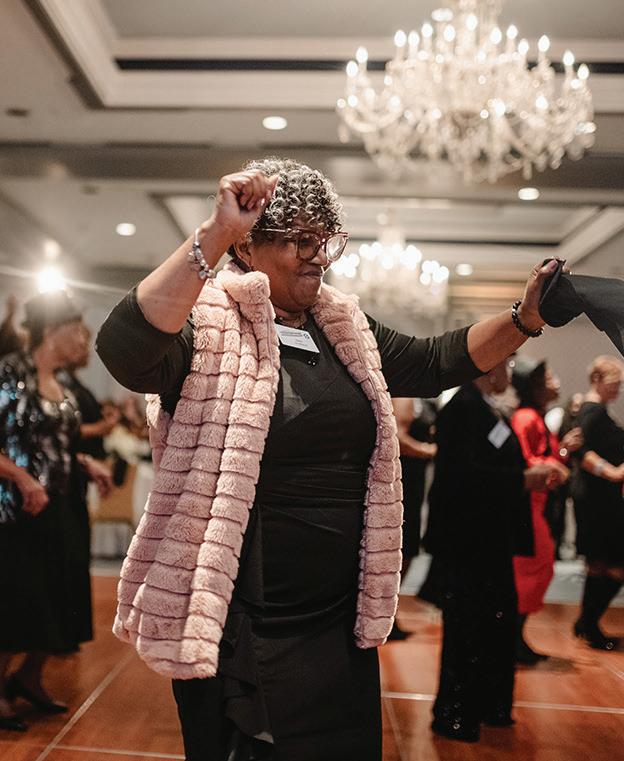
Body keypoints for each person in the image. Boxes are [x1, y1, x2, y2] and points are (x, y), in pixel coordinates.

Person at [96, 157, 560, 761]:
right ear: (249, 246)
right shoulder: (206, 324)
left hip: (336, 620)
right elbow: (124, 350)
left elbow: (434, 361)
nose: (318, 256)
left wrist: (526, 318)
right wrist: (215, 232)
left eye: (325, 240)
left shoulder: (343, 328)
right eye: (299, 240)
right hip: (245, 620)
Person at [424, 357, 564, 743]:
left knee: (490, 623)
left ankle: (487, 705)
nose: (510, 373)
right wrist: (523, 479)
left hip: (488, 538)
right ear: (489, 368)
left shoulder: (485, 409)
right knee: (468, 627)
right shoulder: (464, 409)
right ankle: (455, 712)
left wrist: (525, 477)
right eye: (507, 365)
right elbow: (462, 477)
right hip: (469, 540)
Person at [0, 290, 112, 732]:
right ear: (51, 332)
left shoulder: (62, 385)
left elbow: (54, 444)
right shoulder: (11, 373)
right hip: (17, 510)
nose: (83, 339)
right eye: (76, 330)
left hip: (60, 505)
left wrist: (85, 462)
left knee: (60, 594)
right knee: (20, 596)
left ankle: (29, 677)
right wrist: (22, 478)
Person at [510, 357, 582, 664]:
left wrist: (561, 452)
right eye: (548, 378)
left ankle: (516, 637)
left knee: (538, 567)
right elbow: (522, 459)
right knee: (532, 569)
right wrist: (554, 464)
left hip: (537, 504)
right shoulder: (526, 417)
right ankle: (513, 639)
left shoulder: (534, 417)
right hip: (527, 505)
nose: (555, 382)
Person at [572, 355, 624, 649]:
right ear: (596, 380)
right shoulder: (592, 412)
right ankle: (588, 624)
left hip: (599, 497)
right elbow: (582, 452)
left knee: (603, 562)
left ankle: (587, 623)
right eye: (614, 383)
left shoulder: (593, 410)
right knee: (608, 562)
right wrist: (612, 472)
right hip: (597, 499)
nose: (617, 389)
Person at [390, 397, 436, 638]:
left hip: (414, 480)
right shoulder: (406, 397)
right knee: (402, 547)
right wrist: (430, 451)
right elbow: (398, 437)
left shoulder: (419, 399)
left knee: (408, 547)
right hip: (404, 480)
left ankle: (389, 611)